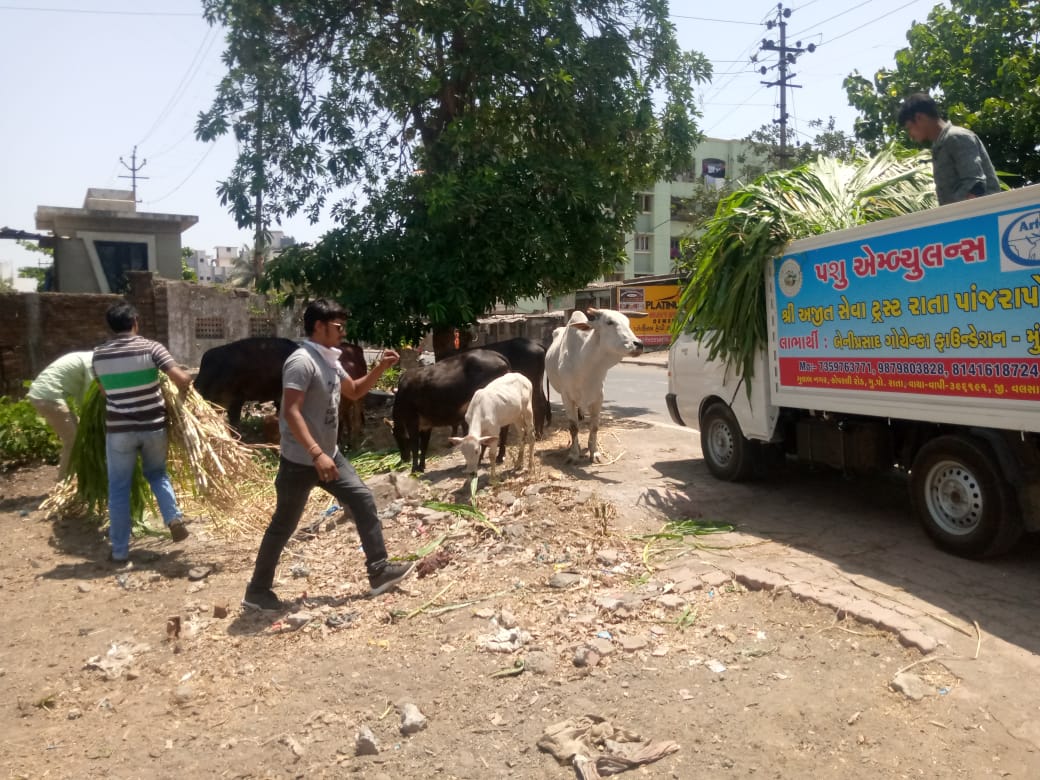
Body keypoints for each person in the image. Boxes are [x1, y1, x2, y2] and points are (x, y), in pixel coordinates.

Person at [242, 298, 413, 610]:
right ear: (318, 326)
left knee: (362, 497)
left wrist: (380, 368)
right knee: (283, 525)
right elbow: (290, 412)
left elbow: (356, 391)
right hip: (301, 459)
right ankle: (257, 591)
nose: (342, 331)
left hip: (328, 455)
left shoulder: (330, 359)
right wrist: (316, 452)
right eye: (337, 326)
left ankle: (378, 571)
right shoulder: (301, 361)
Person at [92, 302, 193, 563]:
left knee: (118, 488)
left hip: (119, 432)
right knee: (157, 474)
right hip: (153, 426)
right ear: (135, 321)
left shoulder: (99, 355)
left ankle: (119, 551)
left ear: (110, 327)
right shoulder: (151, 347)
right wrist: (182, 399)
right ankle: (173, 518)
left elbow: (104, 392)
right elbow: (180, 378)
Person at [898, 92, 1000, 206]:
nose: (910, 135)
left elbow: (975, 186)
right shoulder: (939, 146)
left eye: (909, 128)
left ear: (919, 118)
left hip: (983, 215)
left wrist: (958, 218)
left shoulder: (957, 137)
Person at [27, 350, 95, 479]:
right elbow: (89, 396)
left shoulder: (85, 357)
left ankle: (77, 475)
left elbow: (81, 395)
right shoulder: (91, 363)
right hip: (48, 397)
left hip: (43, 395)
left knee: (79, 432)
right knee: (74, 441)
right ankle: (64, 481)